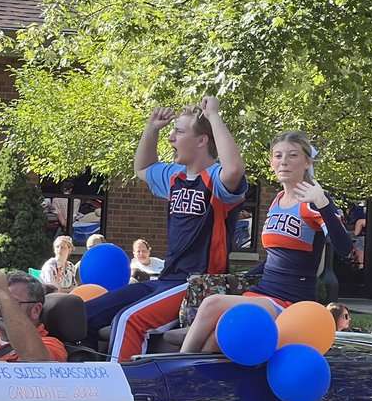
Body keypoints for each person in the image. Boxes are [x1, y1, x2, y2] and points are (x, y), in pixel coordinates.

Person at [86, 97, 248, 360]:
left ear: (202, 141)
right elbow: (143, 167)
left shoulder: (216, 179)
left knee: (129, 320)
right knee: (85, 312)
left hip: (197, 285)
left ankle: (123, 391)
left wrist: (214, 116)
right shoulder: (175, 177)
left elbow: (235, 168)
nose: (171, 138)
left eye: (179, 131)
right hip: (164, 279)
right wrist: (152, 128)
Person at [180, 131, 352, 353]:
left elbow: (345, 249)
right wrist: (239, 278)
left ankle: (179, 367)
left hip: (290, 301)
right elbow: (276, 259)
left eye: (292, 155)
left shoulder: (314, 201)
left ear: (307, 161)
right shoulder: (277, 200)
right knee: (207, 336)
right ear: (271, 162)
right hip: (263, 293)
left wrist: (323, 204)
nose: (284, 162)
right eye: (278, 156)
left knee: (212, 305)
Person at [0, 266, 66, 362]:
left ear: (36, 310)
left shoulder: (51, 346)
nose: (0, 308)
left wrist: (4, 296)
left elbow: (37, 363)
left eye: (11, 303)